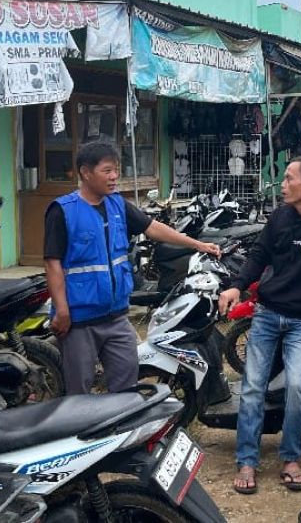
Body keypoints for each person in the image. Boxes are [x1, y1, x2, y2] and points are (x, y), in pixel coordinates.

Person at [44, 142, 220, 395]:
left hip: (116, 317)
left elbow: (153, 228)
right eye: (107, 171)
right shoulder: (63, 211)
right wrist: (61, 309)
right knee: (79, 394)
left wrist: (198, 244)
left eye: (116, 170)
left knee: (127, 388)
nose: (114, 176)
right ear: (85, 172)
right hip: (79, 321)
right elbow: (52, 262)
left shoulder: (117, 205)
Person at [219, 156, 301, 496]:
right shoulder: (279, 217)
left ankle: (290, 458)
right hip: (268, 314)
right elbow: (258, 255)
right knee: (252, 387)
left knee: (298, 387)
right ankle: (247, 460)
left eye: (288, 178)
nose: (282, 185)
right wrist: (237, 285)